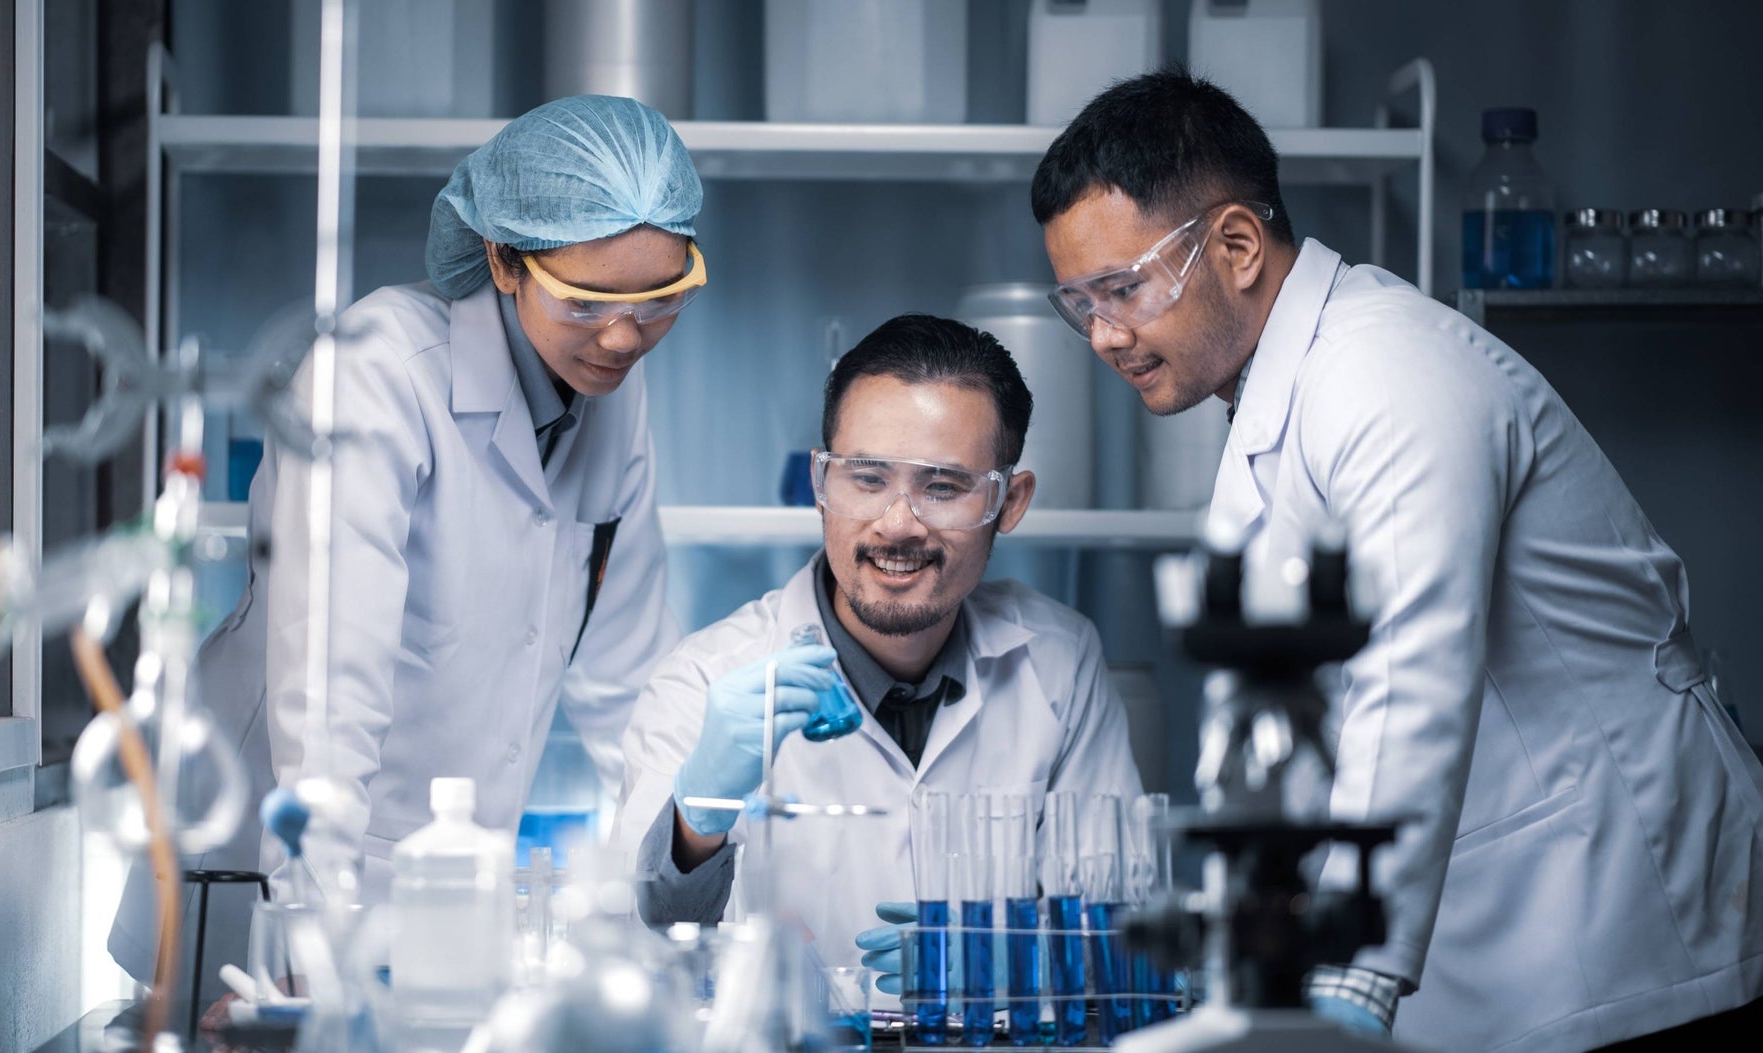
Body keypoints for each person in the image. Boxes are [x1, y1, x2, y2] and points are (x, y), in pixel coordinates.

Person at [1031, 68, 1763, 1051]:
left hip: (1625, 925)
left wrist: (1347, 978)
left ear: (1237, 245)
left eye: (1120, 290)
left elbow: (1406, 668)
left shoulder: (1386, 372)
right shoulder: (1275, 402)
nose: (1103, 337)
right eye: (1077, 305)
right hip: (1502, 934)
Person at [110, 95, 701, 1001]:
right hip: (264, 879)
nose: (624, 338)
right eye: (586, 302)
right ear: (504, 261)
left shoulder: (614, 400)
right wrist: (310, 928)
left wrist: (672, 892)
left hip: (447, 886)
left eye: (658, 301)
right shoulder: (377, 372)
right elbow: (331, 684)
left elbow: (630, 683)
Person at [612, 314, 1143, 985]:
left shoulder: (1059, 663)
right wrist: (696, 822)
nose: (897, 524)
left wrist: (1001, 960)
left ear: (1010, 502)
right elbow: (634, 965)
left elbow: (1123, 931)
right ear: (819, 483)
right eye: (866, 478)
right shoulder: (702, 681)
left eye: (942, 486)